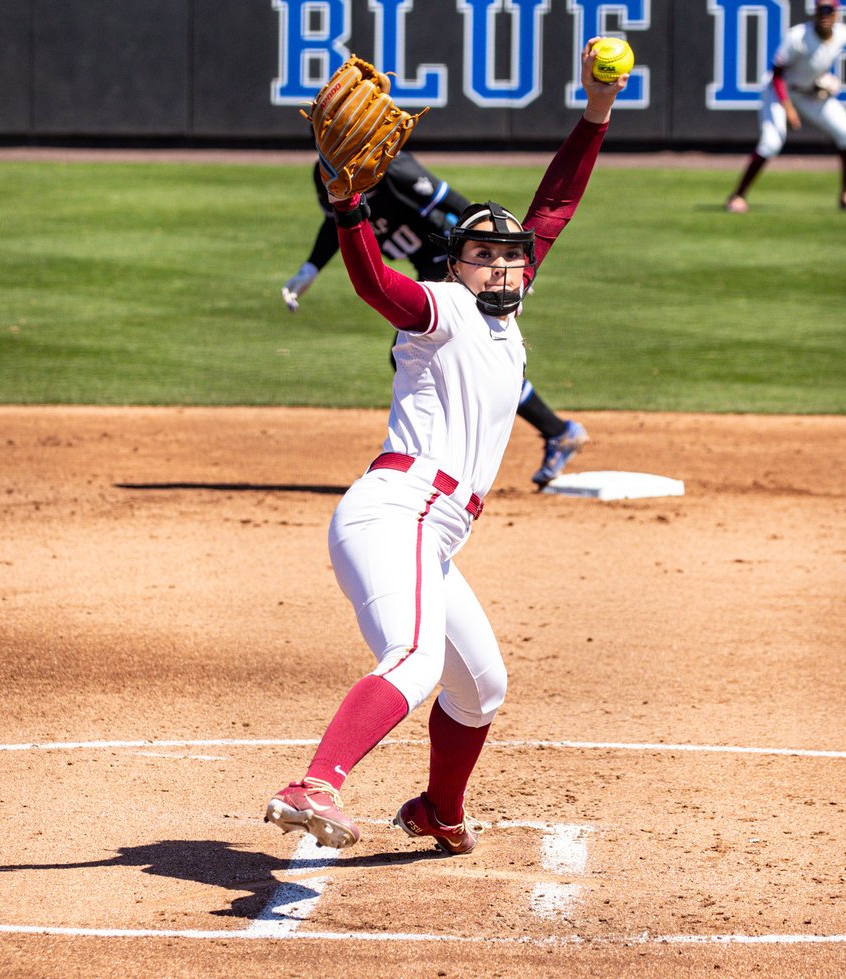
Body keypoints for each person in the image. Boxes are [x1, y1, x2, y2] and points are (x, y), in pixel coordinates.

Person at [264, 40, 627, 855]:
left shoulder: (506, 322)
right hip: (396, 513)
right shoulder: (441, 308)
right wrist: (352, 209)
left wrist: (597, 112)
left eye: (511, 256)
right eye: (482, 255)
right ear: (456, 266)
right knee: (418, 657)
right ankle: (315, 781)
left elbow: (555, 205)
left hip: (435, 535)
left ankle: (437, 807)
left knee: (482, 684)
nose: (500, 264)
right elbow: (371, 285)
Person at [282, 150, 589, 487]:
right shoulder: (325, 172)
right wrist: (311, 265)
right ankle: (557, 431)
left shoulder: (395, 167)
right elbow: (334, 219)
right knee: (450, 360)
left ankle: (554, 431)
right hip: (433, 265)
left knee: (443, 357)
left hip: (450, 262)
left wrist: (496, 263)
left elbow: (455, 203)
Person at [725, 0, 846, 214]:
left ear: (837, 13)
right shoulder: (798, 37)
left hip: (808, 92)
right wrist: (788, 108)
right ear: (815, 12)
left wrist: (824, 81)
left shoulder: (843, 34)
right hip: (778, 91)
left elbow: (817, 63)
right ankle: (738, 195)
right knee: (772, 142)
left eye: (830, 10)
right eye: (821, 10)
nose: (825, 14)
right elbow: (778, 75)